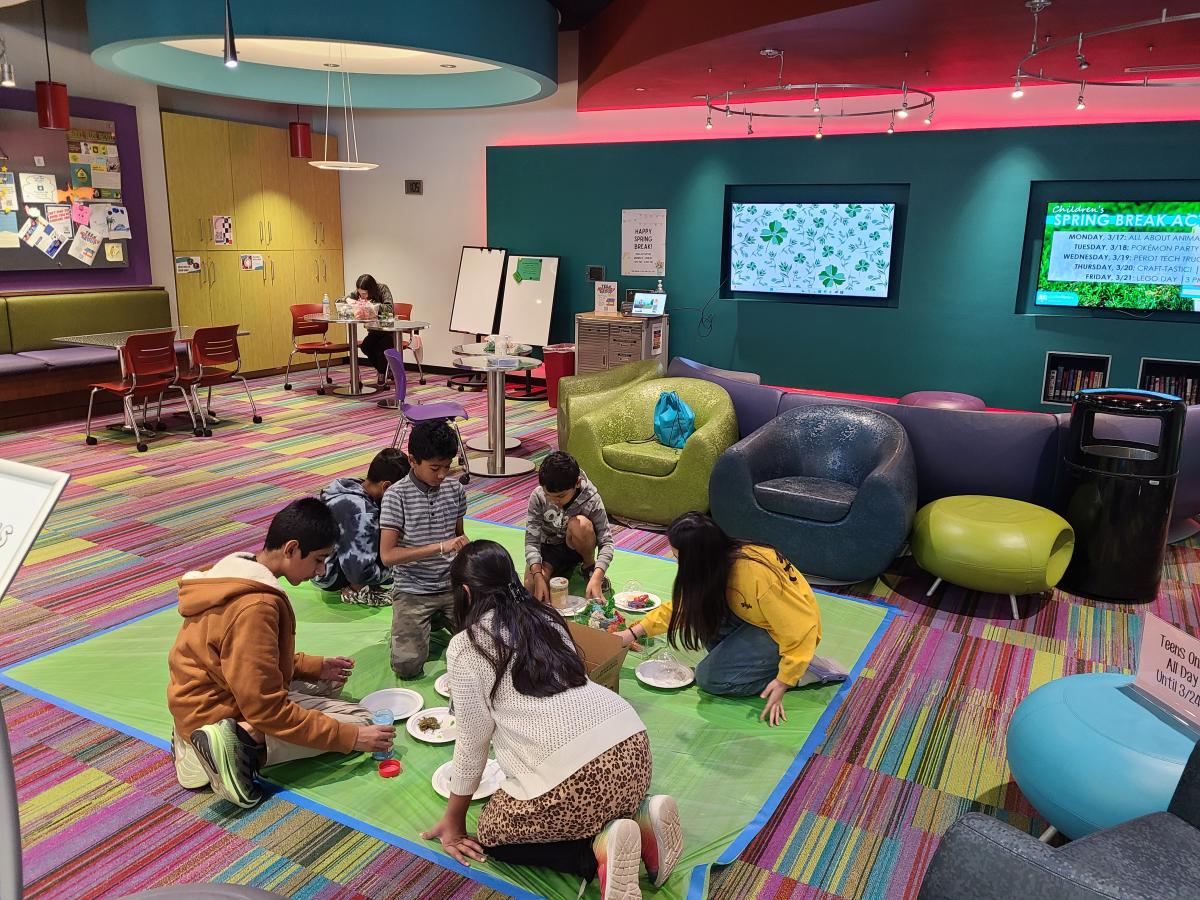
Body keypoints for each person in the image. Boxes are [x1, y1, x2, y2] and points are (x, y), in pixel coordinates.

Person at [421, 540, 683, 899]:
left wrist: (454, 821)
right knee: (589, 798)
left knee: (494, 834)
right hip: (634, 749)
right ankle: (640, 815)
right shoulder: (545, 616)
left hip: (577, 779)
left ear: (465, 592)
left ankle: (594, 852)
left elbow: (473, 739)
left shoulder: (467, 644)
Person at [168, 498, 396, 808]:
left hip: (194, 698)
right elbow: (266, 709)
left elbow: (241, 657)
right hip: (216, 707)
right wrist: (351, 738)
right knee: (363, 721)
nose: (321, 570)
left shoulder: (234, 571)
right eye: (317, 560)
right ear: (290, 549)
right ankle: (237, 745)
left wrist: (311, 666)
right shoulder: (257, 606)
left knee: (329, 686)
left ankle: (193, 737)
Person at [617, 512, 826, 727]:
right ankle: (768, 664)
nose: (678, 564)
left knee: (709, 679)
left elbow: (801, 627)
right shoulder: (721, 560)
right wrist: (632, 633)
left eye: (679, 558)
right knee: (702, 613)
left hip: (788, 633)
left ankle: (803, 671)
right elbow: (687, 605)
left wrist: (784, 680)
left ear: (698, 558)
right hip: (757, 618)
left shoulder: (755, 574)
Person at [380, 420, 468, 678]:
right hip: (413, 589)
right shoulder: (397, 496)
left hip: (451, 585)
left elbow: (459, 536)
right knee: (406, 668)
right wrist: (439, 547)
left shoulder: (454, 489)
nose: (442, 475)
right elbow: (387, 556)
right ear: (412, 461)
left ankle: (434, 619)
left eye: (447, 467)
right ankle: (417, 623)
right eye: (434, 468)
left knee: (487, 649)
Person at [313, 447, 410, 606]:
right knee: (405, 561)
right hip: (330, 574)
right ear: (386, 486)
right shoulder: (363, 513)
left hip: (319, 565)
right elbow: (359, 572)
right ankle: (357, 590)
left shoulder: (350, 485)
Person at [524, 451, 615, 603]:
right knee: (531, 588)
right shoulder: (538, 496)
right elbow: (531, 540)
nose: (554, 501)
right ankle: (552, 571)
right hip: (549, 550)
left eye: (560, 496)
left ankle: (588, 568)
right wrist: (537, 574)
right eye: (549, 495)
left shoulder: (592, 499)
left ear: (577, 482)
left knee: (580, 524)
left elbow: (607, 543)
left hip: (575, 548)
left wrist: (598, 575)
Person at [353, 273, 396, 386]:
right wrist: (348, 300)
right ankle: (386, 370)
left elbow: (389, 308)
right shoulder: (359, 293)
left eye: (364, 293)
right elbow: (339, 300)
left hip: (387, 331)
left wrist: (374, 306)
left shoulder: (382, 289)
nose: (362, 296)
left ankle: (383, 372)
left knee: (379, 348)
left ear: (371, 289)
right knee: (365, 347)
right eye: (360, 293)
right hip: (374, 331)